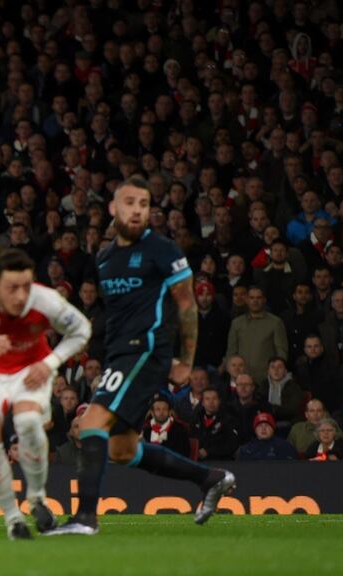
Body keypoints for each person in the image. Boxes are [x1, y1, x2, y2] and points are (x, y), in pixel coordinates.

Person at [48, 178, 234, 537]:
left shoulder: (162, 250)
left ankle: (85, 518)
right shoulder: (104, 259)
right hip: (120, 355)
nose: (137, 209)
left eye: (144, 204)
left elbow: (186, 305)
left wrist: (184, 360)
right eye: (129, 202)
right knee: (121, 449)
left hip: (145, 350)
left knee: (90, 425)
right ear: (113, 209)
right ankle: (210, 479)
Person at [0, 248, 91, 539]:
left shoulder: (45, 300)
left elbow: (81, 330)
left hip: (31, 369)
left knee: (29, 423)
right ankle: (13, 519)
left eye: (25, 287)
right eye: (12, 288)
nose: (20, 296)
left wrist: (50, 363)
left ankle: (37, 499)